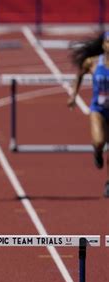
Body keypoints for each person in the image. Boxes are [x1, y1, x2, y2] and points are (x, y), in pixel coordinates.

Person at [68, 31, 109, 197]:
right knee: (99, 141)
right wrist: (73, 96)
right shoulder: (92, 62)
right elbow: (79, 75)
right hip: (98, 109)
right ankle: (97, 152)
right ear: (104, 45)